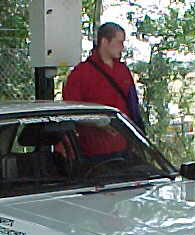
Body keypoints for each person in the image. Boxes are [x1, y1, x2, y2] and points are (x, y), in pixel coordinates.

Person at [62, 23, 144, 158]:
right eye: (119, 42)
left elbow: (133, 106)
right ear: (105, 41)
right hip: (95, 152)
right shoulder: (80, 74)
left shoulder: (123, 71)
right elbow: (71, 112)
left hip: (126, 148)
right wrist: (98, 122)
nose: (122, 47)